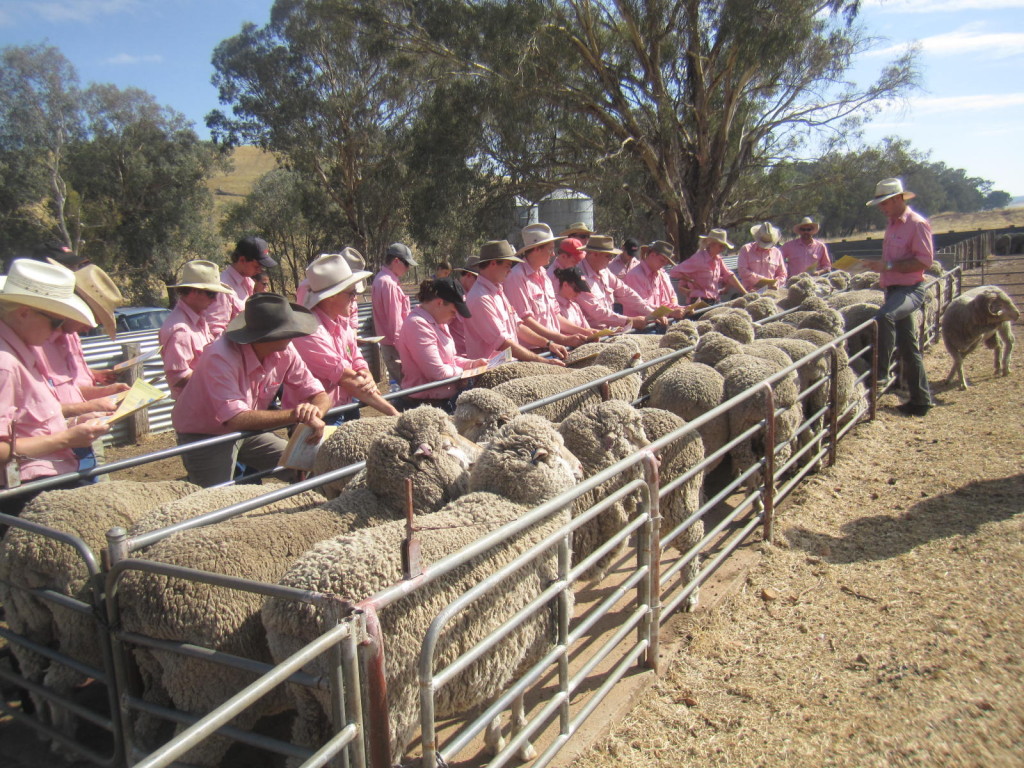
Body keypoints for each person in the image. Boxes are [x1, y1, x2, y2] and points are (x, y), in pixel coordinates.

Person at [171, 293, 330, 487]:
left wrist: (314, 412)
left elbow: (317, 393)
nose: (294, 334)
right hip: (206, 434)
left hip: (247, 429)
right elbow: (235, 418)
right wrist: (297, 415)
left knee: (308, 464)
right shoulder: (220, 357)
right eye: (288, 330)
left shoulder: (285, 350)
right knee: (216, 496)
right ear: (269, 336)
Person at [0, 260, 110, 517]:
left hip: (47, 480)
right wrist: (67, 439)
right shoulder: (5, 363)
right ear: (24, 313)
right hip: (31, 491)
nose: (59, 330)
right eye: (56, 321)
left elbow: (29, 419)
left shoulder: (23, 350)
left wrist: (73, 424)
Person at [292, 251, 398, 422]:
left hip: (345, 404)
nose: (355, 299)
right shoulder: (309, 331)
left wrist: (365, 372)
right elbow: (346, 377)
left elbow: (355, 355)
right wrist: (394, 413)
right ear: (332, 296)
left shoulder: (341, 322)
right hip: (318, 416)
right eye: (351, 293)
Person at [864, 178, 935, 417]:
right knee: (908, 347)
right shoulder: (892, 225)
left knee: (883, 317)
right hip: (893, 290)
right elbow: (892, 261)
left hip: (910, 289)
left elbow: (924, 261)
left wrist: (888, 265)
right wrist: (877, 266)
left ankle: (881, 373)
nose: (881, 208)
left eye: (884, 203)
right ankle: (921, 401)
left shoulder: (917, 224)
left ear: (897, 199)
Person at [463, 240, 566, 365]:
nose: (510, 271)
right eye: (507, 266)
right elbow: (503, 343)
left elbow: (518, 327)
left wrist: (548, 344)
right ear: (493, 263)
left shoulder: (497, 292)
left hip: (506, 365)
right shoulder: (480, 298)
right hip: (492, 370)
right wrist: (543, 361)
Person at [396, 277, 488, 412]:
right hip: (425, 406)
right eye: (453, 311)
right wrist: (464, 372)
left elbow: (449, 360)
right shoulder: (417, 325)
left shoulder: (439, 323)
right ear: (439, 303)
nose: (455, 316)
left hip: (442, 401)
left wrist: (472, 364)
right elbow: (436, 372)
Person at [505, 223, 588, 354]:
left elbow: (555, 315)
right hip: (534, 352)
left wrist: (585, 332)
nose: (553, 254)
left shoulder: (544, 274)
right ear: (537, 249)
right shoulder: (516, 277)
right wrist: (563, 339)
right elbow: (525, 321)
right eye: (550, 249)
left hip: (552, 348)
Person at [160, 260, 235, 398]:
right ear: (194, 292)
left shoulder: (197, 320)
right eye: (211, 294)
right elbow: (177, 378)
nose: (215, 300)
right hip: (194, 404)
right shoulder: (181, 330)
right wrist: (217, 375)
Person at [576, 235, 654, 330]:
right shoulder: (579, 277)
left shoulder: (604, 272)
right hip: (592, 334)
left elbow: (625, 292)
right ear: (594, 254)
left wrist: (651, 312)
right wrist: (629, 321)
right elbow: (596, 311)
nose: (610, 259)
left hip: (608, 332)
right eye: (608, 256)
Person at [207, 236, 278, 337]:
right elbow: (215, 330)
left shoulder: (248, 282)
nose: (260, 270)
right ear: (242, 260)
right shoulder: (223, 288)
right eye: (257, 266)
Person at [371, 242, 417, 386]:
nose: (408, 268)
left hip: (391, 346)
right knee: (409, 387)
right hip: (396, 347)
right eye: (406, 264)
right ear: (396, 261)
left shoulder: (381, 279)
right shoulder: (389, 284)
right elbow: (395, 323)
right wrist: (405, 350)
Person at [671, 229, 747, 304]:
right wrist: (691, 280)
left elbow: (729, 275)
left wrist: (745, 293)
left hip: (714, 299)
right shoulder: (698, 259)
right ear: (712, 244)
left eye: (724, 247)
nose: (723, 249)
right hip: (699, 300)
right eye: (721, 246)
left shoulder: (718, 259)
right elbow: (674, 272)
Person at [623, 240, 693, 321]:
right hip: (639, 325)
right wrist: (670, 312)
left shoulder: (658, 275)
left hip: (655, 322)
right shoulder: (634, 275)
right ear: (652, 255)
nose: (663, 265)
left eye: (666, 262)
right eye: (662, 260)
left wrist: (683, 308)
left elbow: (662, 302)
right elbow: (641, 305)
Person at [737, 222, 787, 292]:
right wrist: (762, 281)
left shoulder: (777, 252)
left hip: (771, 292)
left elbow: (783, 274)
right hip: (749, 291)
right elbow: (743, 271)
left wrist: (776, 283)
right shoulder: (746, 249)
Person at [449, 262, 478, 356]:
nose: (480, 284)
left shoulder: (472, 295)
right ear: (469, 275)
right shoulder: (453, 294)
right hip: (458, 354)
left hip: (469, 353)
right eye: (478, 280)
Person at [553, 266, 594, 332]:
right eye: (576, 290)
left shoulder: (575, 306)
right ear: (565, 285)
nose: (578, 294)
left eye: (580, 291)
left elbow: (587, 329)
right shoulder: (553, 305)